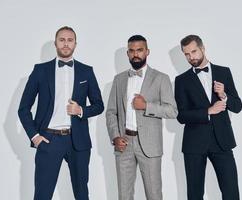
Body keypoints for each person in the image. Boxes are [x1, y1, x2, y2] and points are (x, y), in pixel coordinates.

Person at [18, 26, 104, 200]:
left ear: (75, 44)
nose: (66, 44)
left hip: (78, 142)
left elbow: (99, 105)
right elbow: (23, 108)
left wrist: (81, 110)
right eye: (62, 40)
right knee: (42, 195)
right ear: (55, 43)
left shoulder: (86, 71)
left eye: (70, 40)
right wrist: (35, 137)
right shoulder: (40, 70)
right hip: (49, 140)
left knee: (82, 194)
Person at [106, 35, 178, 200]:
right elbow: (111, 112)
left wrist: (147, 106)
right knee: (124, 195)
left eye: (139, 50)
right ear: (127, 54)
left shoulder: (161, 78)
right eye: (132, 51)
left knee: (154, 195)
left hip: (150, 145)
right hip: (124, 143)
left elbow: (172, 111)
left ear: (147, 51)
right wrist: (115, 136)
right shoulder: (119, 80)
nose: (135, 54)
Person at [174, 34, 242, 200]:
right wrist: (208, 111)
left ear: (203, 48)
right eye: (187, 54)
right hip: (194, 144)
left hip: (222, 141)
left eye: (194, 51)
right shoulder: (181, 80)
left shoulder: (224, 72)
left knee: (231, 191)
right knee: (195, 194)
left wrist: (224, 95)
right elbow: (181, 116)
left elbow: (238, 106)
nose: (191, 57)